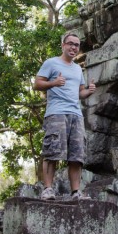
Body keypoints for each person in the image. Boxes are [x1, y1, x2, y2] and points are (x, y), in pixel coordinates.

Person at [34, 31, 96, 201]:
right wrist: (53, 83)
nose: (73, 47)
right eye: (70, 43)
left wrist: (88, 91)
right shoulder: (51, 63)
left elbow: (79, 93)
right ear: (63, 45)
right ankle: (47, 189)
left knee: (77, 155)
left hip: (76, 114)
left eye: (76, 45)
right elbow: (37, 84)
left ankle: (76, 192)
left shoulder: (77, 69)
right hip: (56, 113)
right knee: (53, 152)